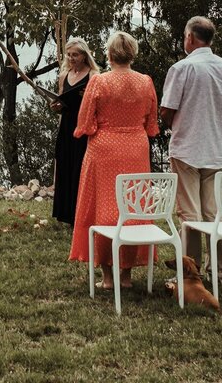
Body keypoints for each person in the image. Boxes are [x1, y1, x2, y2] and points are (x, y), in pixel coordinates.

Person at [68, 31, 159, 290]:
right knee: (133, 210)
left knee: (104, 210)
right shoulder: (145, 82)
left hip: (104, 149)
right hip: (136, 149)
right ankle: (126, 276)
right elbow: (151, 125)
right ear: (132, 53)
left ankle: (107, 277)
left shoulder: (99, 82)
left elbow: (85, 122)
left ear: (109, 54)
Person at [159, 16, 222, 276]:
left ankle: (190, 271)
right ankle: (219, 270)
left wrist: (172, 121)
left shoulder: (182, 68)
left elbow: (167, 109)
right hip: (216, 149)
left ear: (190, 38)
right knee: (214, 213)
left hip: (187, 149)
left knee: (190, 214)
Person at [50, 38, 99, 225]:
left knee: (80, 168)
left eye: (75, 55)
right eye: (69, 55)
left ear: (84, 56)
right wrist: (56, 106)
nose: (71, 58)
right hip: (66, 125)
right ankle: (64, 213)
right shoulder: (64, 74)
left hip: (84, 126)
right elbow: (62, 98)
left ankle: (81, 214)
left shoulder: (94, 75)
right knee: (65, 165)